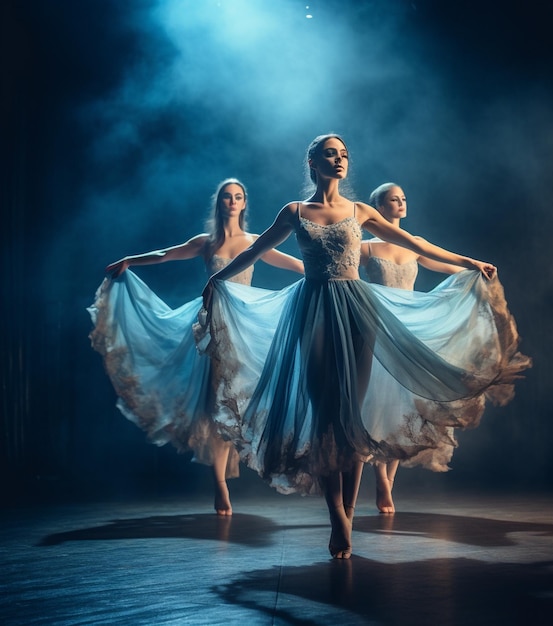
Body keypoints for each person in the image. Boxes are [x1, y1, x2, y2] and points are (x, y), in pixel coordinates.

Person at [195, 134, 531, 559]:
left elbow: (418, 245)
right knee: (324, 416)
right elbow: (256, 252)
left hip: (357, 312)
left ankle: (348, 512)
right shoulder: (295, 212)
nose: (340, 160)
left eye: (344, 155)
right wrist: (216, 280)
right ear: (313, 163)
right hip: (312, 309)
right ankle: (336, 514)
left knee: (351, 416)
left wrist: (470, 262)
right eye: (331, 154)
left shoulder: (360, 211)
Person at [88, 178, 304, 515]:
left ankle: (270, 460)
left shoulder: (254, 241)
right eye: (226, 197)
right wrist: (131, 259)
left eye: (238, 197)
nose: (232, 202)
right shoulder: (207, 242)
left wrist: (333, 270)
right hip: (212, 326)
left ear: (244, 203)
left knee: (245, 403)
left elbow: (297, 265)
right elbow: (166, 254)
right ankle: (220, 485)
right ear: (219, 204)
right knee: (214, 407)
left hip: (244, 327)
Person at [361, 182, 466, 514]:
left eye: (404, 198)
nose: (402, 203)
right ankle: (380, 479)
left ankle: (388, 480)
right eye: (394, 199)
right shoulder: (365, 247)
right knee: (379, 403)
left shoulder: (415, 244)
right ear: (378, 206)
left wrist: (474, 271)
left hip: (409, 330)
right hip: (377, 330)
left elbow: (447, 264)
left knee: (405, 406)